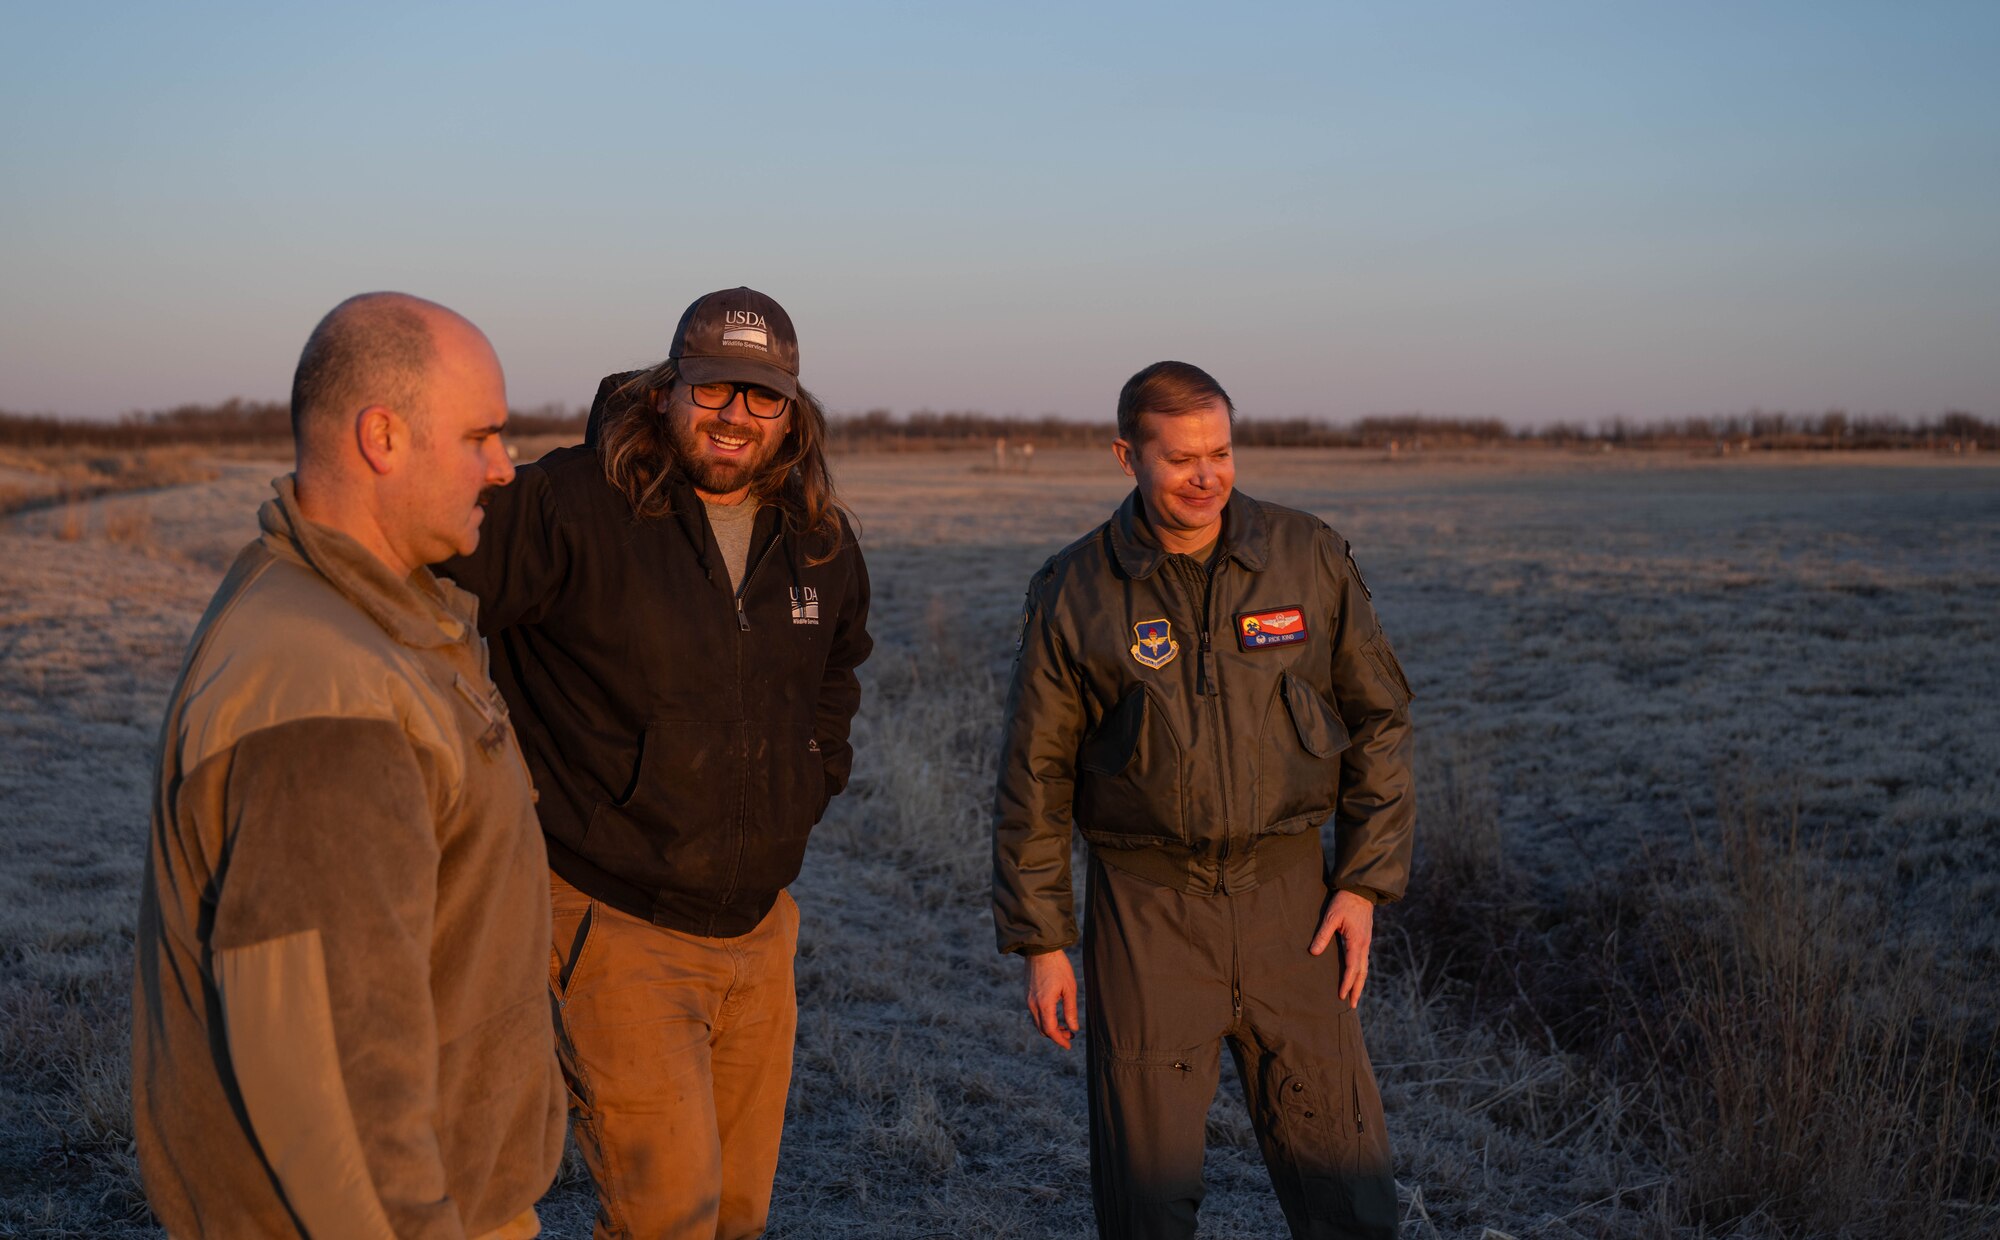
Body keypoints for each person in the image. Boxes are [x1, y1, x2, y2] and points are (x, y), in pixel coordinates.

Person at [437, 286, 872, 1240]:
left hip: (760, 932)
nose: (735, 415)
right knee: (667, 1219)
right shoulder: (568, 504)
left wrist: (812, 774)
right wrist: (474, 776)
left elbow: (837, 668)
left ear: (791, 410)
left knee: (736, 1217)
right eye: (714, 388)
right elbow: (423, 591)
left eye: (762, 395)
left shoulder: (818, 538)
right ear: (668, 387)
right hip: (615, 920)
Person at [131, 292, 565, 1238]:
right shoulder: (325, 694)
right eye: (481, 435)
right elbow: (335, 1088)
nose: (505, 466)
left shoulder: (360, 612)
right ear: (383, 438)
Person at [992, 361, 1416, 1239]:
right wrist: (1043, 940)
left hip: (1293, 907)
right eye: (1181, 458)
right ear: (1127, 457)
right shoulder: (1076, 590)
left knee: (1350, 1194)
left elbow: (1379, 718)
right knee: (1146, 1205)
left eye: (1220, 453)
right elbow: (1035, 774)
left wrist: (1363, 882)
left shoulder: (1307, 555)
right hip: (1147, 915)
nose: (1206, 477)